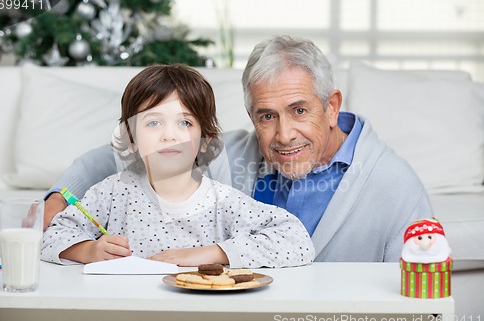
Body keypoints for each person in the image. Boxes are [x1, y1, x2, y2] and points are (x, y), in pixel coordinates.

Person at [44, 35, 433, 262]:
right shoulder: (220, 152)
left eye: (299, 110)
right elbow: (119, 155)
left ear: (331, 106)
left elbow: (424, 298)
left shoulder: (392, 182)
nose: (284, 135)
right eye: (266, 116)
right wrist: (59, 198)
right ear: (250, 116)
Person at [41, 64, 315, 268]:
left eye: (184, 122)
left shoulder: (224, 202)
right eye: (153, 122)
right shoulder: (112, 193)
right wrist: (89, 250)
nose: (168, 135)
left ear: (204, 140)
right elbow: (50, 237)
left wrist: (212, 253)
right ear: (131, 138)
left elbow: (297, 241)